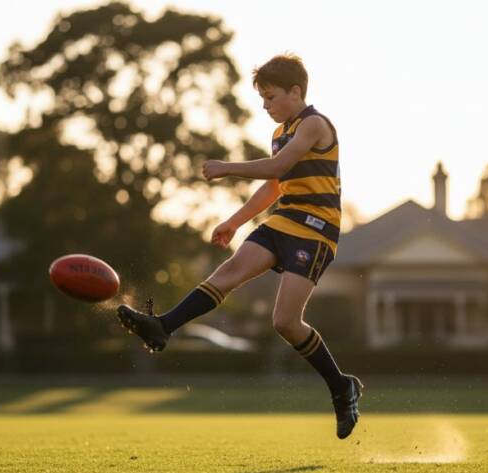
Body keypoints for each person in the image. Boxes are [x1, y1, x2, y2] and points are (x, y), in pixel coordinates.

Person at [116, 54, 362, 439]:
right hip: (284, 219)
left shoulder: (314, 124)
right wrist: (235, 221)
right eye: (262, 99)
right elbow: (274, 186)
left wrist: (227, 167)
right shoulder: (283, 131)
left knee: (284, 322)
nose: (266, 106)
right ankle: (161, 327)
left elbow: (278, 167)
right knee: (228, 272)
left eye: (271, 97)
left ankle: (340, 386)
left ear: (296, 91)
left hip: (315, 229)